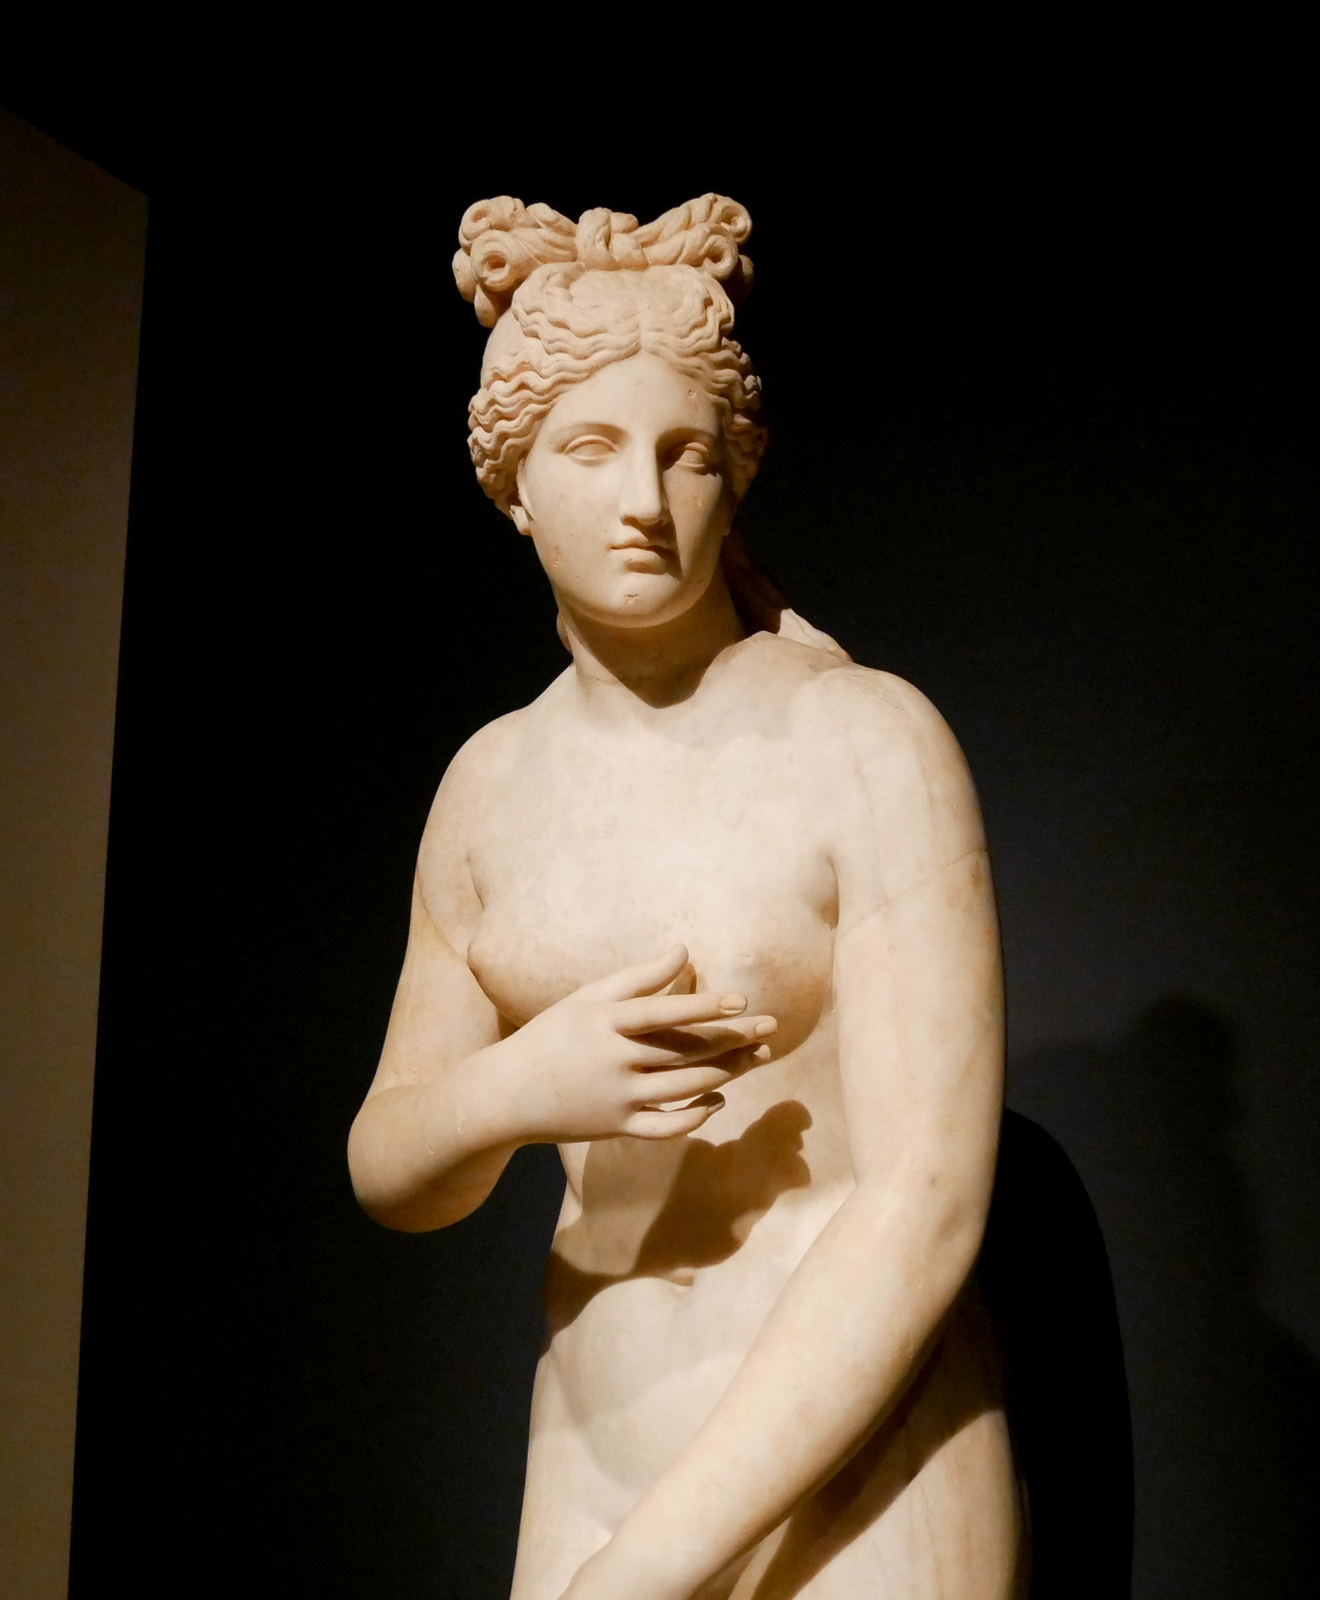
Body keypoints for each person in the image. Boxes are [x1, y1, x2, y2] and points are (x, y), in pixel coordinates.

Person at [349, 194, 1024, 1600]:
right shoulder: (488, 785)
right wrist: (518, 1086)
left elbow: (926, 1202)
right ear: (514, 484)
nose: (645, 503)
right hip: (595, 1437)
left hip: (854, 1460)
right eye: (590, 449)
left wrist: (647, 1570)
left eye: (688, 455)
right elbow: (393, 1166)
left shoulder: (863, 739)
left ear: (738, 474)